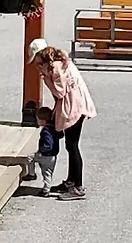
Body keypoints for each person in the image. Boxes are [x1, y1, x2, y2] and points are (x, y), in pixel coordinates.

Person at [27, 38, 96, 201]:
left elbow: (59, 92)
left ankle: (78, 187)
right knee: (70, 144)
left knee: (72, 146)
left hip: (75, 107)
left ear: (40, 56)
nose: (37, 65)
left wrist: (45, 78)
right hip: (76, 104)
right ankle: (71, 182)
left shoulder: (55, 68)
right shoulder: (59, 62)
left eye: (37, 61)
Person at [30, 105, 59, 196]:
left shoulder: (45, 131)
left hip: (45, 155)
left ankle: (31, 174)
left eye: (38, 120)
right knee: (48, 172)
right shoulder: (54, 128)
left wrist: (41, 151)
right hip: (53, 156)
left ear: (43, 121)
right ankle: (47, 189)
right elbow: (60, 135)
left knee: (30, 158)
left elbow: (48, 144)